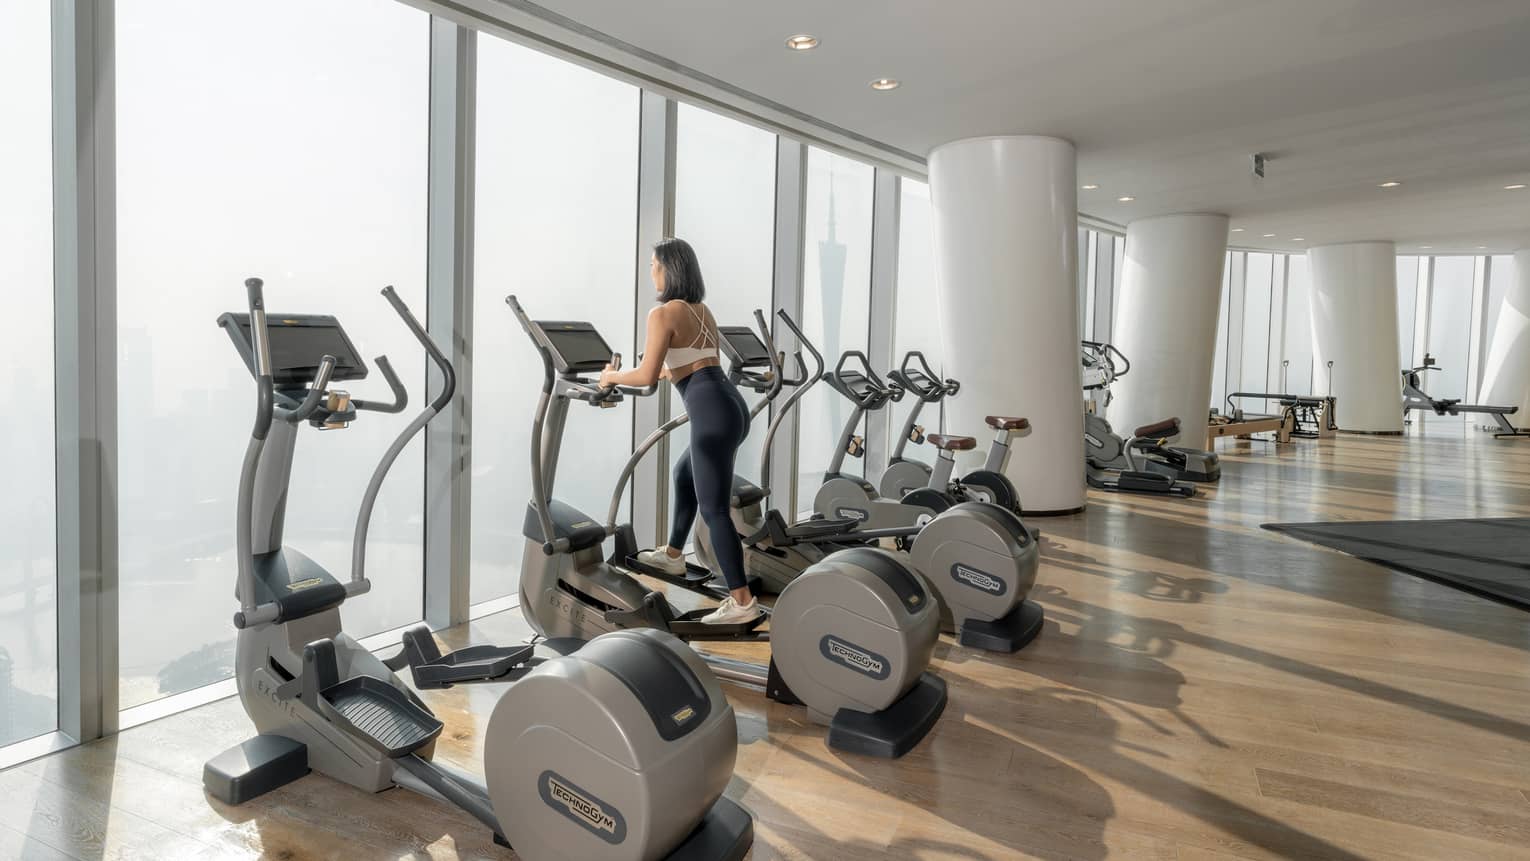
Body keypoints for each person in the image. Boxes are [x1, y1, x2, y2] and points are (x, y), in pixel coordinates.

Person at [598, 238, 760, 625]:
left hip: (711, 411)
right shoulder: (700, 310)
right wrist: (664, 371)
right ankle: (673, 556)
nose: (650, 271)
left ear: (669, 269)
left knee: (715, 509)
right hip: (730, 404)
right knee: (683, 473)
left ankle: (742, 602)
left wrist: (611, 376)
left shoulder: (662, 313)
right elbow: (693, 363)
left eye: (654, 264)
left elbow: (645, 375)